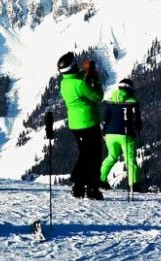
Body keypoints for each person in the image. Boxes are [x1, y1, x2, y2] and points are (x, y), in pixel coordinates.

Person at [58, 52, 105, 200]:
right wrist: (95, 79)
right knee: (94, 156)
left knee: (85, 154)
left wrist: (86, 71)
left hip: (75, 124)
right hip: (88, 122)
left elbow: (76, 78)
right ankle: (90, 188)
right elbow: (98, 96)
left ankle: (79, 187)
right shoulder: (80, 84)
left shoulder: (64, 83)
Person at [99, 78, 145, 193]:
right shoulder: (133, 102)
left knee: (111, 157)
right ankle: (133, 185)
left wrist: (104, 132)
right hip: (126, 134)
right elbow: (137, 121)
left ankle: (101, 180)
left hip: (109, 135)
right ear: (130, 89)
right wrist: (138, 127)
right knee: (130, 160)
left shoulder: (110, 100)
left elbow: (106, 119)